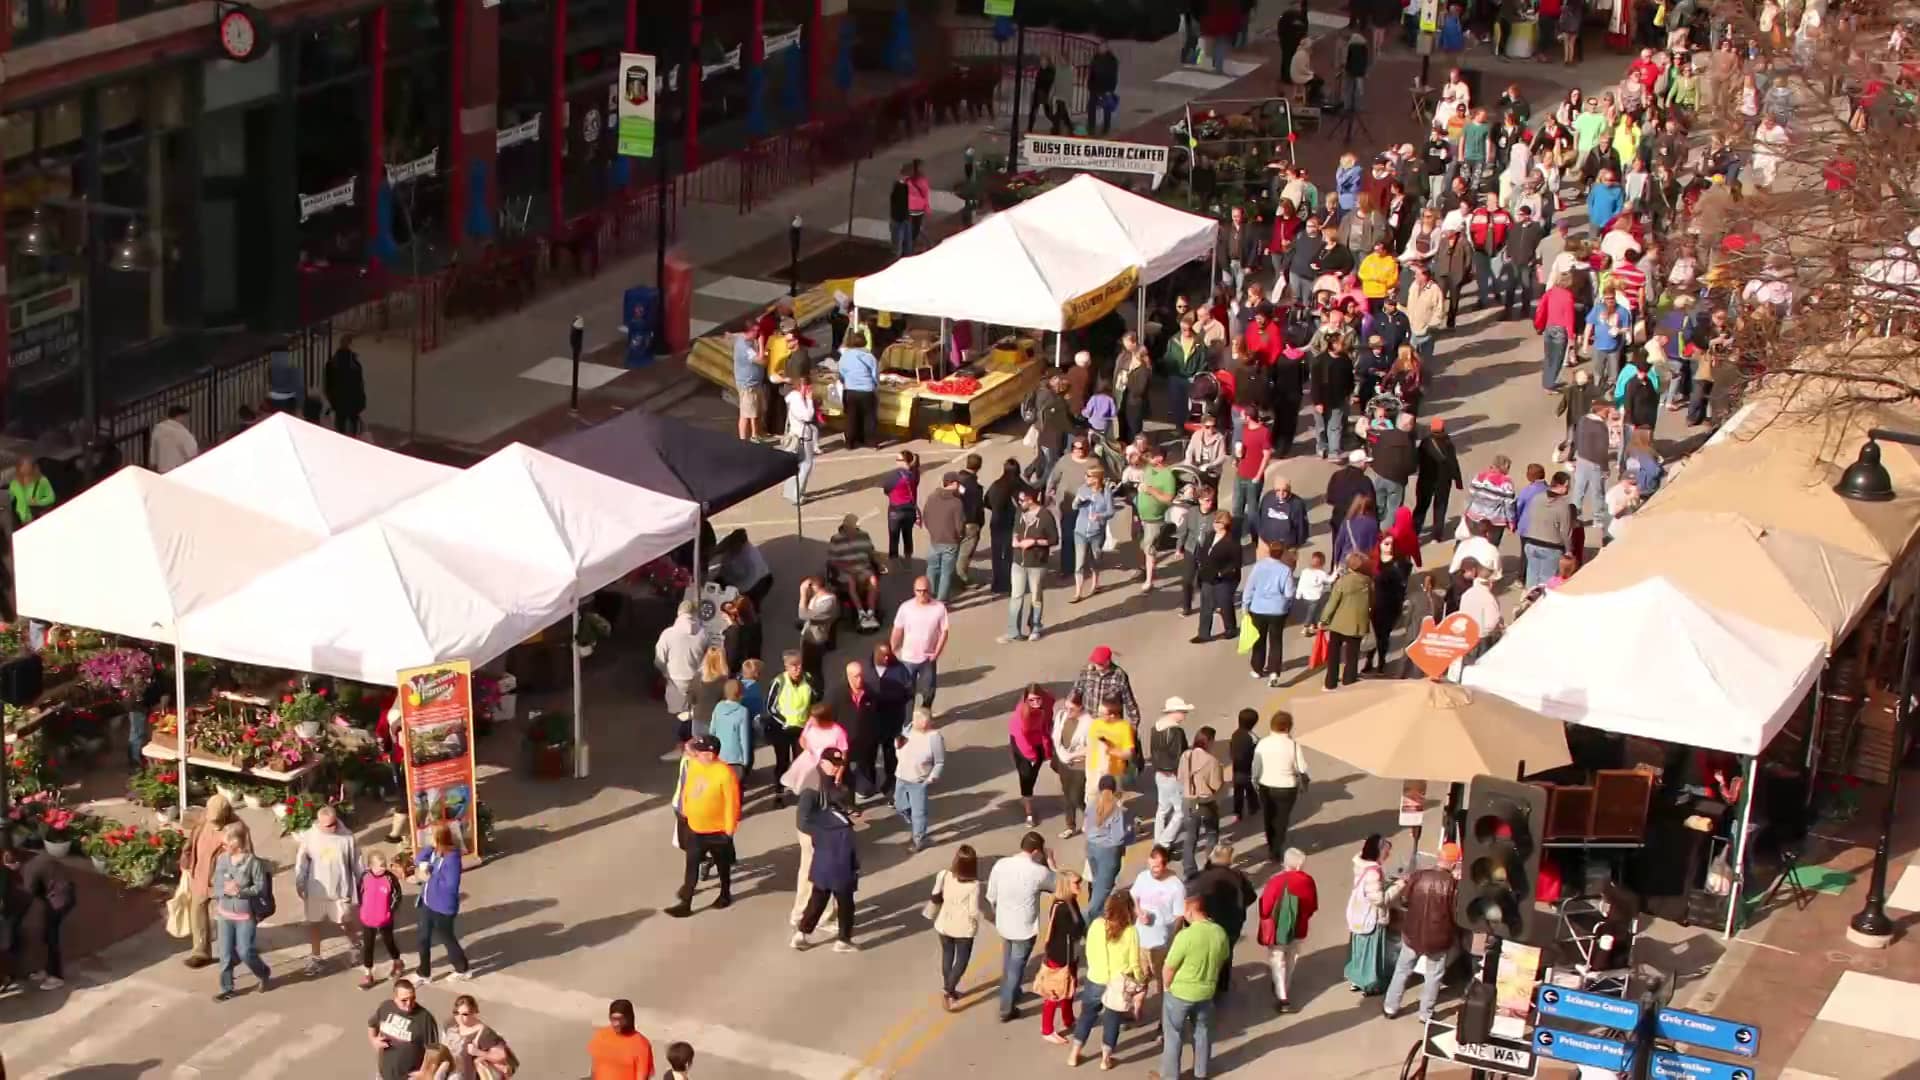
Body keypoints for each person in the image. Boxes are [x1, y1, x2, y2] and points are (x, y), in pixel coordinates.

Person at [1067, 889, 1146, 1070]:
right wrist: (1140, 981)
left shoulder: (1096, 925)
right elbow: (1134, 962)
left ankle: (1074, 1054)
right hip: (1118, 983)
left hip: (1095, 977)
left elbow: (1089, 951)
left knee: (1086, 1016)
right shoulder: (1131, 931)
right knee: (1112, 1021)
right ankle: (1105, 1059)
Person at [1384, 842, 1462, 1023]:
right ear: (1454, 863)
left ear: (1438, 856)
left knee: (1402, 970)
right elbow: (1456, 914)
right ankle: (1425, 1014)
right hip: (1438, 938)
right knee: (1433, 976)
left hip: (1412, 934)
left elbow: (1404, 900)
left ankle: (1391, 1006)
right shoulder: (1453, 885)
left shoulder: (1419, 876)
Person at [1157, 888, 1230, 1079]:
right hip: (1206, 992)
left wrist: (1166, 987)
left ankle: (1170, 1076)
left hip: (1180, 993)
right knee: (1203, 1033)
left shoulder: (1185, 936)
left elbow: (1169, 968)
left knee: (1173, 1035)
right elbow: (1223, 959)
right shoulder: (1220, 933)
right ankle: (1201, 1072)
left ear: (1190, 911)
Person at [986, 831, 1058, 1021]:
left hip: (1004, 923)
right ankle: (1006, 1007)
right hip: (1024, 928)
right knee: (1016, 967)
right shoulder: (1039, 872)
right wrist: (1051, 863)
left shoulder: (1001, 865)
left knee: (1008, 962)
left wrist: (997, 913)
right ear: (1036, 852)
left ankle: (1012, 991)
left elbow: (991, 896)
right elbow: (1060, 886)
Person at [667, 736, 742, 917]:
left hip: (717, 830)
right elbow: (688, 787)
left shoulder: (725, 773)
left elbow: (732, 803)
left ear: (710, 754)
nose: (696, 753)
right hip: (695, 827)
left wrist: (729, 829)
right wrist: (685, 809)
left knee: (723, 865)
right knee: (691, 866)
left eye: (699, 751)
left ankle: (725, 894)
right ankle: (686, 904)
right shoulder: (695, 765)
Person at [793, 762, 861, 952]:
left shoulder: (823, 823)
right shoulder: (843, 828)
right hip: (841, 873)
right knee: (846, 906)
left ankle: (801, 934)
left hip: (822, 870)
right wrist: (855, 869)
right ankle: (843, 941)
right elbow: (849, 852)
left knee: (817, 901)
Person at [293, 803, 359, 975]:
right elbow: (302, 862)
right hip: (316, 889)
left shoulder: (347, 838)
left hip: (339, 890)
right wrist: (300, 882)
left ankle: (355, 946)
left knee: (344, 921)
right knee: (314, 924)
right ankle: (316, 957)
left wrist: (363, 884)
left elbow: (357, 863)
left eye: (334, 823)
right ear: (319, 822)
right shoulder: (309, 837)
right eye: (328, 825)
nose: (332, 827)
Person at [210, 821, 271, 1001]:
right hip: (224, 914)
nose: (223, 846)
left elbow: (261, 889)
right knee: (225, 954)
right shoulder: (223, 859)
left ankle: (263, 972)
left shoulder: (254, 863)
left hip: (244, 916)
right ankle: (227, 987)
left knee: (245, 952)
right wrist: (224, 890)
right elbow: (217, 883)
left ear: (236, 842)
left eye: (225, 843)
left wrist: (241, 891)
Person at [1129, 844, 1187, 1034]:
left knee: (1164, 986)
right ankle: (1136, 1012)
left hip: (1162, 944)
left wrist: (1172, 939)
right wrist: (1138, 912)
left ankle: (1165, 1025)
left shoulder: (1176, 886)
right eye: (1151, 866)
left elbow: (1179, 916)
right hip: (1141, 941)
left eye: (1157, 867)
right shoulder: (1142, 877)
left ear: (1166, 865)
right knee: (1139, 978)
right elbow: (1134, 896)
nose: (1153, 871)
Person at [1, 843, 74, 991]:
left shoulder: (29, 869)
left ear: (16, 863)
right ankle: (47, 970)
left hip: (59, 900)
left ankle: (56, 976)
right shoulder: (29, 857)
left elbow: (26, 896)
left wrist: (13, 917)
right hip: (57, 894)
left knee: (51, 936)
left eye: (10, 867)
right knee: (46, 934)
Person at [178, 793, 237, 968]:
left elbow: (245, 857)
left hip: (223, 881)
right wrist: (186, 861)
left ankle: (232, 951)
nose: (214, 824)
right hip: (200, 875)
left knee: (228, 917)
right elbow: (190, 844)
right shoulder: (202, 822)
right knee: (197, 912)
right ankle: (200, 952)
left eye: (217, 821)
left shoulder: (237, 829)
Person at [1258, 848, 1319, 1014]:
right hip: (1299, 927)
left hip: (1278, 928)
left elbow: (1265, 908)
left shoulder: (1275, 881)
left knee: (1278, 960)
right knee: (1292, 957)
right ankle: (1286, 986)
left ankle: (1282, 996)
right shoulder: (1308, 881)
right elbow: (1313, 906)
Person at [929, 844, 983, 1010]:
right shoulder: (973, 885)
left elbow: (935, 895)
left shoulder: (944, 875)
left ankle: (949, 989)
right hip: (963, 929)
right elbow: (973, 911)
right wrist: (977, 921)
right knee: (962, 961)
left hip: (944, 923)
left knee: (947, 955)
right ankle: (948, 990)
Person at [416, 823, 471, 981]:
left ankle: (463, 969)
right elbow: (418, 859)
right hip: (427, 902)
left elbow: (451, 885)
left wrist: (430, 876)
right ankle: (423, 972)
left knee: (447, 938)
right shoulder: (434, 851)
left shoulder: (452, 858)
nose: (428, 837)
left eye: (431, 835)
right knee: (423, 938)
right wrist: (427, 850)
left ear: (439, 838)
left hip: (442, 907)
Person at [1001, 488, 1056, 643]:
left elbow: (1054, 539)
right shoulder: (1019, 512)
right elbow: (1016, 530)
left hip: (1037, 563)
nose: (1019, 503)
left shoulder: (1045, 516)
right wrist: (1015, 539)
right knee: (1016, 596)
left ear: (1031, 499)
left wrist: (1035, 542)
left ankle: (1035, 627)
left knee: (1036, 596)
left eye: (1022, 500)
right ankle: (1013, 631)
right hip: (1018, 561)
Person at [1037, 872, 1087, 1044]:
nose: (1079, 886)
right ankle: (1047, 1029)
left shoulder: (1070, 901)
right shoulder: (1063, 908)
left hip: (1070, 954)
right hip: (1059, 956)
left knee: (1070, 988)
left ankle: (1069, 1019)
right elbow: (1075, 929)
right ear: (1066, 885)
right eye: (1076, 883)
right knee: (1055, 992)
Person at [1344, 834, 1394, 994]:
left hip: (1358, 913)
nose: (1388, 855)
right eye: (1386, 851)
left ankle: (1356, 979)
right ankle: (1371, 984)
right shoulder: (1374, 872)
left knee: (1358, 951)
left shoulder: (1361, 864)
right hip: (1371, 916)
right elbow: (1379, 899)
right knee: (1371, 954)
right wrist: (1399, 885)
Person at [1318, 552, 1375, 690]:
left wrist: (1323, 620)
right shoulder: (1368, 582)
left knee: (1334, 655)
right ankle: (1349, 680)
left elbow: (1332, 604)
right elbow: (1372, 602)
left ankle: (1330, 683)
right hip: (1357, 625)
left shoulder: (1342, 582)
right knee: (1352, 655)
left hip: (1338, 624)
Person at [890, 575, 949, 708]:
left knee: (929, 691)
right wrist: (894, 650)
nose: (922, 594)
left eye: (925, 590)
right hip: (908, 658)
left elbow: (944, 632)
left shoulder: (939, 608)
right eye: (918, 591)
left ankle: (925, 713)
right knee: (907, 692)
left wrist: (936, 653)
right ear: (914, 590)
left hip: (928, 658)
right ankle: (908, 720)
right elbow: (897, 630)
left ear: (930, 590)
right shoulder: (905, 608)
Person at [1242, 541, 1295, 687]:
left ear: (1269, 552)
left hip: (1258, 608)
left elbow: (1249, 587)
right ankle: (1274, 672)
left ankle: (1257, 669)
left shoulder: (1258, 566)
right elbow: (1289, 593)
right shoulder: (1285, 570)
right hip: (1278, 610)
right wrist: (1288, 604)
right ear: (1282, 553)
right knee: (1276, 641)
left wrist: (1245, 605)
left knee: (1259, 640)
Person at [1178, 730, 1228, 879]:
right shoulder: (1212, 761)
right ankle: (1210, 865)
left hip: (1188, 801)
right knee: (1212, 833)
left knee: (1191, 836)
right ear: (1210, 741)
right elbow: (1216, 784)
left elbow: (1180, 777)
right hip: (1206, 802)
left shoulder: (1186, 756)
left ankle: (1189, 870)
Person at [354, 850, 407, 989]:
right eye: (380, 866)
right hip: (368, 919)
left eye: (384, 865)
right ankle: (368, 974)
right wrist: (363, 909)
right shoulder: (365, 876)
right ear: (370, 866)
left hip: (385, 919)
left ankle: (397, 962)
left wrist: (389, 911)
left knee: (389, 942)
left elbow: (397, 896)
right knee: (368, 946)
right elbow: (359, 893)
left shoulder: (390, 878)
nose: (383, 868)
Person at [895, 707, 946, 852]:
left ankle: (919, 839)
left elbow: (939, 761)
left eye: (924, 723)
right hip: (901, 777)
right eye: (917, 721)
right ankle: (918, 825)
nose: (920, 725)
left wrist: (931, 778)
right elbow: (898, 746)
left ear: (929, 723)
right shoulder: (907, 731)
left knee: (919, 812)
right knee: (900, 806)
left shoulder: (934, 737)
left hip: (919, 781)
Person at [369, 979, 440, 1080]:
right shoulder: (386, 1007)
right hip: (383, 1074)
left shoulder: (425, 1018)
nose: (409, 1004)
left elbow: (434, 1051)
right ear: (395, 998)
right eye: (404, 1000)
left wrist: (424, 1073)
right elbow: (372, 1024)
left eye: (412, 998)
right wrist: (373, 1040)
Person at [826, 515, 885, 632]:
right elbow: (832, 561)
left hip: (863, 569)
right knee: (851, 580)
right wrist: (846, 568)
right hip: (845, 570)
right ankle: (861, 613)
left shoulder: (864, 536)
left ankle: (871, 613)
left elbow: (871, 553)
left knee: (872, 579)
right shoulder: (836, 539)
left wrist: (879, 564)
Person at [1148, 699, 1193, 848]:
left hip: (1159, 774)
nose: (1184, 715)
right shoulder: (1176, 731)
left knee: (1162, 809)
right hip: (1173, 775)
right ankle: (1164, 842)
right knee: (1180, 811)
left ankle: (1157, 839)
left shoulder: (1156, 727)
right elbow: (1181, 755)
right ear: (1174, 712)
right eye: (1183, 712)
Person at [1009, 684, 1055, 829]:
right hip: (1021, 743)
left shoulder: (1046, 705)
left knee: (1033, 775)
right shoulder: (1021, 714)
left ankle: (1026, 797)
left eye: (1038, 699)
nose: (1035, 703)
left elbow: (1046, 726)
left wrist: (1046, 750)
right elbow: (1021, 737)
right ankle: (1028, 810)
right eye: (1031, 701)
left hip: (1039, 741)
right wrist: (1031, 756)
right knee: (1026, 775)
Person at [1192, 512, 1242, 644]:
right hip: (1208, 576)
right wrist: (1200, 563)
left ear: (1225, 525)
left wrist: (1222, 573)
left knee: (1225, 605)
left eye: (1217, 522)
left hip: (1224, 580)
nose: (1214, 524)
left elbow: (1236, 563)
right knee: (1206, 605)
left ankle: (1230, 629)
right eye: (1214, 522)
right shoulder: (1210, 536)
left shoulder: (1231, 542)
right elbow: (1203, 551)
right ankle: (1203, 634)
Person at [654, 600, 707, 722]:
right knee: (694, 716)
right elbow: (707, 659)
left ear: (679, 613)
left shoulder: (667, 634)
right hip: (695, 680)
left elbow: (659, 660)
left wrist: (665, 673)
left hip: (674, 680)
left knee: (676, 716)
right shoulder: (703, 634)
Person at [1071, 466, 1118, 602]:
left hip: (1096, 532)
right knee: (1079, 563)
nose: (1085, 478)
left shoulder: (1105, 492)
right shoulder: (1082, 489)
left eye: (1088, 476)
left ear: (1096, 479)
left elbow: (1111, 512)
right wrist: (1077, 501)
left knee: (1095, 559)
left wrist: (1099, 516)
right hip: (1080, 531)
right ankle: (1078, 592)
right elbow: (1074, 507)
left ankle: (1095, 584)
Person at [1135, 444, 1178, 592]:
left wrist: (1151, 490)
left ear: (1159, 458)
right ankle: (1148, 569)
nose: (1148, 459)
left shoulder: (1168, 476)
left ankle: (1149, 580)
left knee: (1148, 548)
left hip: (1154, 519)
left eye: (1151, 456)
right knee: (1144, 546)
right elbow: (1138, 460)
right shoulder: (1148, 469)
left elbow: (1168, 499)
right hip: (1142, 517)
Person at [444, 994, 516, 1080]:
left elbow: (501, 1055)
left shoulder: (484, 1033)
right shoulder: (451, 1025)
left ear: (474, 1013)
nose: (459, 1018)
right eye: (456, 1013)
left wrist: (478, 1052)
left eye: (465, 1014)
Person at [1051, 691, 1092, 839]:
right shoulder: (1061, 716)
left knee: (1077, 797)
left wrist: (1073, 755)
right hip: (1064, 763)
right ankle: (1070, 826)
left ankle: (1091, 817)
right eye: (1066, 707)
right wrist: (1063, 755)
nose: (1068, 712)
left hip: (1080, 766)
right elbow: (1056, 737)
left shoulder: (1089, 723)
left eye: (1072, 709)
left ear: (1081, 707)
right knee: (1067, 795)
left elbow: (1092, 747)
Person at [586, 999, 655, 1080]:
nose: (616, 1023)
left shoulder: (641, 1044)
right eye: (613, 1019)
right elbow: (594, 1067)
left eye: (620, 1019)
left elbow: (642, 1077)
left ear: (629, 1018)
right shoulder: (601, 1036)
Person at [839, 330, 881, 451]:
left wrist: (845, 381)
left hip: (850, 390)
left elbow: (841, 373)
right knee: (869, 417)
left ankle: (850, 443)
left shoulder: (845, 356)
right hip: (867, 390)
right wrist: (875, 385)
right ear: (864, 343)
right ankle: (871, 442)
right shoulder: (869, 357)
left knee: (851, 417)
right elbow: (875, 375)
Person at [151, 404, 200, 472]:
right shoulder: (183, 433)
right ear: (181, 416)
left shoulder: (158, 429)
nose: (187, 420)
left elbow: (153, 457)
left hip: (162, 471)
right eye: (186, 417)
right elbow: (193, 454)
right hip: (180, 471)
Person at [9, 458, 53, 526]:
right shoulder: (14, 484)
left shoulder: (42, 480)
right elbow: (9, 498)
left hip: (42, 514)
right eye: (22, 467)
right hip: (25, 519)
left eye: (27, 467)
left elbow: (51, 498)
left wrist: (38, 502)